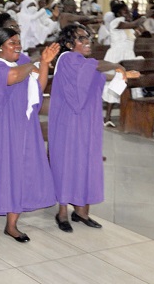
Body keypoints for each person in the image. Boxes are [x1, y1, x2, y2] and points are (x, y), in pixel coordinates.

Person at [0, 28, 59, 247]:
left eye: (19, 42)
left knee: (19, 173)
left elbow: (38, 86)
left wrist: (45, 64)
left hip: (20, 129)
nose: (17, 46)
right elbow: (10, 78)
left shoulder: (20, 67)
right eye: (12, 42)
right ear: (0, 46)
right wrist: (35, 63)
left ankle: (12, 225)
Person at [49, 25, 138, 233]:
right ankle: (62, 212)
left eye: (89, 38)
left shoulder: (82, 62)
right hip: (68, 121)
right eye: (81, 39)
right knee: (68, 162)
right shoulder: (68, 59)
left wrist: (123, 75)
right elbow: (95, 67)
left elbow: (96, 75)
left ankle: (81, 211)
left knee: (86, 161)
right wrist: (116, 65)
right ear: (70, 44)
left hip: (86, 119)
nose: (87, 42)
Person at [102, 2, 146, 125]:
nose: (128, 13)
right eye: (125, 12)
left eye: (128, 11)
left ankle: (134, 115)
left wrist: (137, 28)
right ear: (118, 14)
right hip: (116, 57)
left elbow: (137, 31)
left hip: (128, 56)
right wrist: (143, 17)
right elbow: (135, 23)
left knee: (132, 85)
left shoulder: (128, 27)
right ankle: (108, 117)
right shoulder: (116, 22)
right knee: (115, 85)